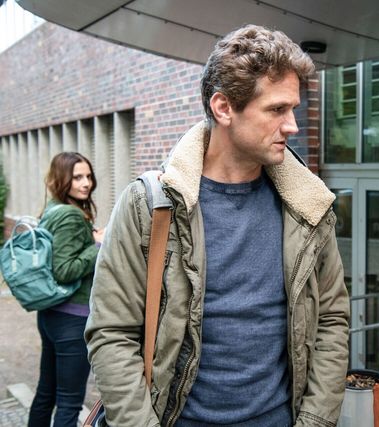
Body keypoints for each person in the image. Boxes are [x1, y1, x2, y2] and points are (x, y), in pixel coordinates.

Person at [85, 24, 350, 427]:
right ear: (224, 107)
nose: (292, 125)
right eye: (277, 110)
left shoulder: (308, 205)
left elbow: (331, 320)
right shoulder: (149, 205)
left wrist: (314, 421)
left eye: (294, 109)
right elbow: (111, 333)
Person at [28, 152, 104, 427]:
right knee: (69, 402)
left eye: (88, 176)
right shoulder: (70, 215)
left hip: (51, 315)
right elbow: (65, 269)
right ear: (62, 179)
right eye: (77, 177)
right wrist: (98, 244)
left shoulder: (53, 209)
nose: (86, 183)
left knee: (46, 393)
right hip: (72, 319)